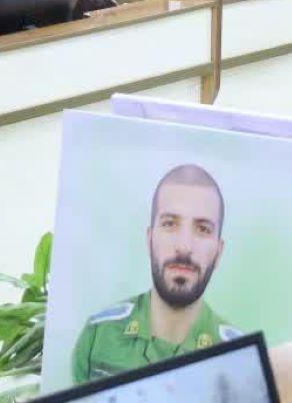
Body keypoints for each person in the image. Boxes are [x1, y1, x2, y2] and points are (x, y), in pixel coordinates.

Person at [71, 164, 241, 383]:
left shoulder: (239, 358)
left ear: (218, 252)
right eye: (170, 224)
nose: (184, 246)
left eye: (203, 229)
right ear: (149, 240)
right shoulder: (98, 335)